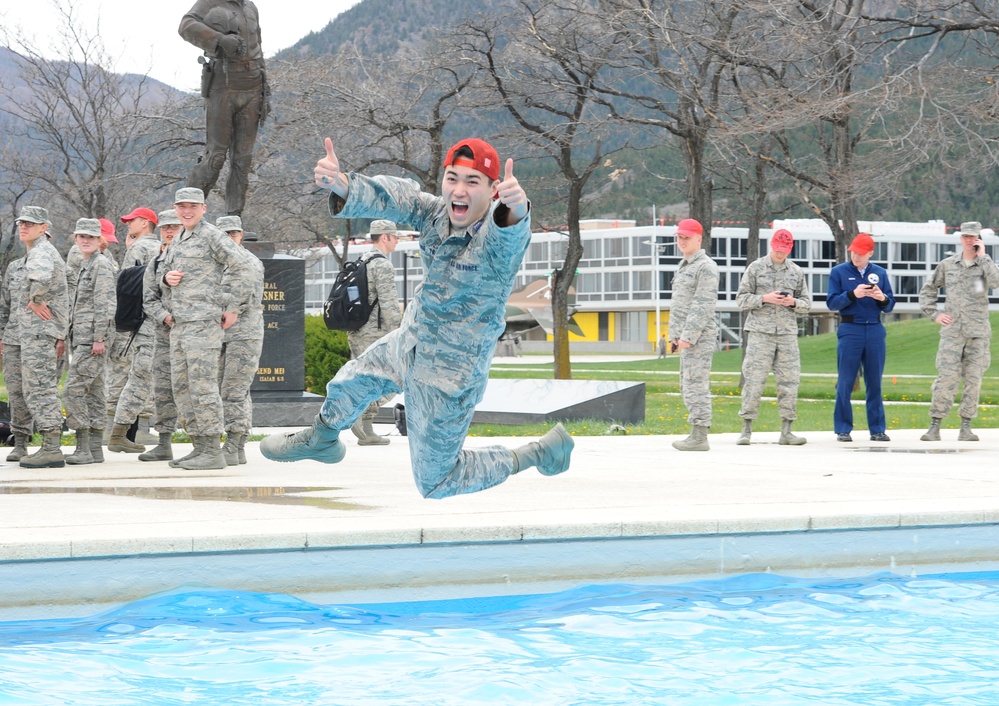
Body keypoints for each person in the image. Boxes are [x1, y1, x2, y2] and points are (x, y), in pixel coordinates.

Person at [261, 137, 574, 498]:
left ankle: (534, 454)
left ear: (493, 190)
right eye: (452, 178)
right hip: (411, 339)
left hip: (449, 372)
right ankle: (321, 439)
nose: (459, 190)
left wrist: (517, 210)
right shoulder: (435, 214)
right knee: (350, 383)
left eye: (472, 182)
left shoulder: (494, 239)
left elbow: (511, 233)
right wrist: (344, 185)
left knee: (437, 480)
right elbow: (399, 196)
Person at [160, 187, 250, 470]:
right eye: (182, 206)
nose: (186, 211)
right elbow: (168, 274)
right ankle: (200, 446)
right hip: (180, 324)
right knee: (183, 389)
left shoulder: (212, 235)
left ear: (204, 208)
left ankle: (212, 449)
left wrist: (233, 307)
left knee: (203, 387)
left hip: (203, 325)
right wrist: (166, 278)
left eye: (192, 206)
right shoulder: (179, 238)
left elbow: (242, 266)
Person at [179, 0, 269, 216]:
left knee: (243, 159)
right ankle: (186, 216)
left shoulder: (250, 7)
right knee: (216, 156)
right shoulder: (210, 2)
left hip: (253, 86)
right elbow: (185, 25)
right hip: (223, 85)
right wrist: (218, 40)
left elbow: (259, 48)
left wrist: (266, 90)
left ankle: (233, 221)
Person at [0, 206, 69, 468]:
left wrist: (34, 298)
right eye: (21, 223)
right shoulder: (31, 256)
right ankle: (31, 443)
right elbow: (6, 304)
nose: (24, 227)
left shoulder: (42, 252)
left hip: (40, 331)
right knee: (25, 389)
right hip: (23, 333)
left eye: (30, 223)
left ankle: (52, 447)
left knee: (40, 386)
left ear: (44, 228)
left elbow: (40, 278)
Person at [918, 221, 999, 441]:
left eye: (974, 237)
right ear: (960, 238)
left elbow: (995, 282)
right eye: (966, 237)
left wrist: (984, 256)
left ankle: (966, 426)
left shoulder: (984, 265)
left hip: (978, 332)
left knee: (974, 380)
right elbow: (928, 290)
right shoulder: (947, 265)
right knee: (946, 378)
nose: (969, 240)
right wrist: (934, 314)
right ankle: (935, 425)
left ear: (979, 239)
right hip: (953, 332)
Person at [735, 228, 813, 446]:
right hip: (760, 333)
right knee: (753, 380)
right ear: (772, 245)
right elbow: (741, 299)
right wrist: (764, 298)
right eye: (778, 248)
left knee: (789, 382)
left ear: (790, 248)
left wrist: (793, 302)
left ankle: (787, 430)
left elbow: (807, 304)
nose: (780, 253)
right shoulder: (756, 268)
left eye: (785, 249)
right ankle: (746, 429)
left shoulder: (796, 272)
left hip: (787, 334)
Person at [827, 233, 896, 442]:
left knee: (874, 382)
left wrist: (881, 298)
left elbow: (890, 305)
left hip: (874, 328)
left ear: (870, 253)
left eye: (861, 253)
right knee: (846, 381)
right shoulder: (839, 272)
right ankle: (843, 428)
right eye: (853, 252)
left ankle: (877, 429)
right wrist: (852, 295)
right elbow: (832, 303)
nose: (856, 256)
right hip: (851, 329)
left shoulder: (880, 273)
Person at [107, 207, 162, 453]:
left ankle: (119, 433)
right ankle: (133, 432)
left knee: (134, 377)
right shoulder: (159, 247)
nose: (128, 224)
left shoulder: (139, 248)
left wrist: (124, 321)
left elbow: (126, 288)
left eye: (132, 221)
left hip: (142, 321)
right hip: (159, 321)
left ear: (145, 223)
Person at [62, 218, 116, 465]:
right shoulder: (86, 265)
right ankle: (95, 448)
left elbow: (104, 304)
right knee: (94, 392)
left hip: (92, 340)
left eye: (91, 237)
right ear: (75, 239)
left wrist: (99, 338)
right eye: (81, 237)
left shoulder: (100, 265)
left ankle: (83, 447)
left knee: (72, 391)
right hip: (82, 338)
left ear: (99, 241)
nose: (85, 241)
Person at [347, 219, 403, 446]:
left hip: (357, 329)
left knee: (364, 377)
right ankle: (364, 423)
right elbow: (389, 303)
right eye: (395, 236)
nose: (397, 240)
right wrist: (399, 332)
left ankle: (359, 417)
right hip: (376, 334)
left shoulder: (361, 261)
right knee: (387, 378)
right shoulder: (382, 265)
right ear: (385, 237)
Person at [216, 215, 265, 465]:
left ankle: (235, 443)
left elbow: (241, 296)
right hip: (222, 336)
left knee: (234, 392)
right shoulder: (218, 263)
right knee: (230, 391)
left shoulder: (248, 262)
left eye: (234, 234)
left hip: (243, 335)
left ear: (241, 235)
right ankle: (237, 445)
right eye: (225, 234)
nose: (230, 238)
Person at [137, 210, 184, 462]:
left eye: (174, 227)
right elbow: (148, 299)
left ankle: (205, 444)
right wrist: (165, 316)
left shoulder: (195, 256)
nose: (169, 231)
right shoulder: (156, 261)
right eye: (165, 227)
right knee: (163, 389)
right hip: (164, 333)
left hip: (192, 332)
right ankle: (164, 442)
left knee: (193, 387)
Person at [668, 218, 718, 452]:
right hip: (686, 336)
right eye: (679, 237)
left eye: (687, 237)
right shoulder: (684, 265)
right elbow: (679, 305)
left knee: (696, 384)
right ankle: (695, 433)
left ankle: (699, 436)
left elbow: (702, 305)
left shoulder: (705, 266)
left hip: (699, 336)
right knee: (687, 383)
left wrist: (687, 336)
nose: (682, 241)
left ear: (699, 239)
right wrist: (674, 336)